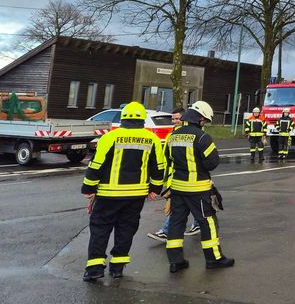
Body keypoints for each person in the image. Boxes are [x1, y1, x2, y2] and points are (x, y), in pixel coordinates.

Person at [82, 101, 166, 282]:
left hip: (108, 194)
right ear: (143, 119)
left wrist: (88, 188)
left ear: (123, 118)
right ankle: (118, 267)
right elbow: (159, 167)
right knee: (126, 229)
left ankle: (95, 269)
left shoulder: (109, 137)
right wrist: (155, 189)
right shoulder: (152, 139)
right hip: (136, 195)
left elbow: (96, 165)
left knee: (100, 229)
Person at [165, 100, 234, 271]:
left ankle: (176, 261)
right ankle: (214, 259)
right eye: (205, 121)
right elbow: (212, 162)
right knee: (208, 222)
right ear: (200, 119)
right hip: (198, 189)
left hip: (178, 188)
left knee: (176, 223)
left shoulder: (173, 136)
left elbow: (168, 161)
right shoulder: (202, 137)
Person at [147, 108, 200, 241]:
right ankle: (199, 223)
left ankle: (166, 231)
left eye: (177, 118)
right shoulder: (173, 132)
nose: (175, 121)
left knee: (178, 205)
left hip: (184, 177)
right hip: (175, 176)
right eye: (173, 118)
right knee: (188, 204)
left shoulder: (192, 133)